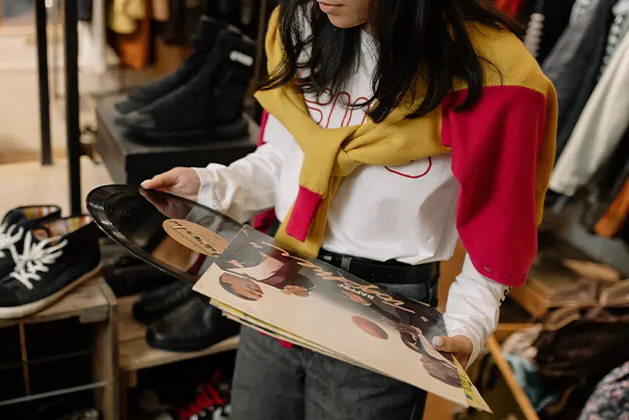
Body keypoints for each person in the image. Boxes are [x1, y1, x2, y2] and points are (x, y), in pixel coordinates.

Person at [142, 0, 557, 418]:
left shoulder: (495, 76)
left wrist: (469, 324)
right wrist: (211, 183)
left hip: (381, 310)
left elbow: (499, 227)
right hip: (274, 274)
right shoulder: (301, 23)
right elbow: (283, 161)